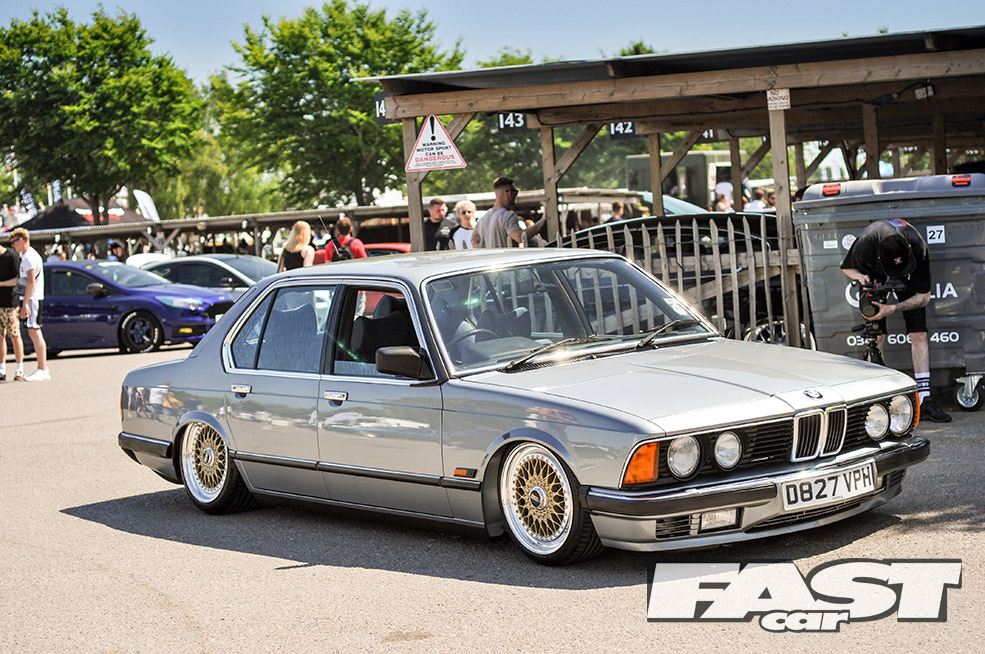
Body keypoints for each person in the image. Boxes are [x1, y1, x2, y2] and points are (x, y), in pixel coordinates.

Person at [841, 218, 951, 422]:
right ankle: (877, 402)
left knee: (919, 333)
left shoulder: (918, 246)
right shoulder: (867, 241)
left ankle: (924, 399)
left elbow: (924, 297)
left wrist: (893, 308)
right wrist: (861, 278)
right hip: (875, 276)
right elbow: (846, 267)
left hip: (909, 278)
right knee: (876, 336)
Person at [2, 229, 49, 381]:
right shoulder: (27, 256)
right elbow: (24, 281)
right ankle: (41, 367)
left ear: (22, 240)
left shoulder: (29, 257)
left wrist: (25, 303)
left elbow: (31, 281)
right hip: (31, 298)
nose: (13, 245)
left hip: (33, 298)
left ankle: (42, 368)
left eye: (14, 242)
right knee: (33, 331)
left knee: (34, 331)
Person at [472, 177, 546, 248]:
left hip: (489, 257)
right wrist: (542, 220)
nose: (515, 196)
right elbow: (520, 237)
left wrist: (484, 253)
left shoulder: (483, 218)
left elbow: (474, 240)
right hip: (505, 257)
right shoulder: (507, 215)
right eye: (515, 192)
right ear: (510, 193)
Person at [0, 240, 24, 381]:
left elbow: (18, 280)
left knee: (14, 335)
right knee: (0, 337)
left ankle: (19, 369)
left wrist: (1, 284)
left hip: (10, 303)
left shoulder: (11, 256)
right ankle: (2, 369)